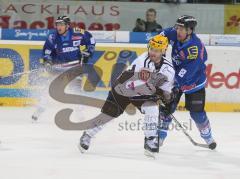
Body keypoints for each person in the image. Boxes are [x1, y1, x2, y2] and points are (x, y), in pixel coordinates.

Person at [79, 35, 175, 157]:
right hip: (123, 89)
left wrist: (167, 97)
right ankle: (88, 134)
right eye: (151, 49)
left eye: (156, 50)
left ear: (164, 51)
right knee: (109, 115)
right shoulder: (142, 61)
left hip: (142, 93)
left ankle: (150, 140)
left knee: (152, 109)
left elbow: (166, 90)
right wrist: (158, 92)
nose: (152, 53)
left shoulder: (169, 70)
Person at [159, 15, 217, 149]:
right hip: (177, 78)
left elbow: (186, 74)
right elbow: (161, 36)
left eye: (181, 28)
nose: (178, 31)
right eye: (177, 27)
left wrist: (167, 82)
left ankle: (208, 137)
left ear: (190, 31)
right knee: (166, 109)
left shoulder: (193, 49)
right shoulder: (175, 34)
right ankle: (159, 138)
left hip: (194, 82)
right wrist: (159, 49)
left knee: (196, 113)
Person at [31, 15, 96, 121]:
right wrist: (47, 61)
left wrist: (89, 51)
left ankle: (79, 114)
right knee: (49, 90)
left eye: (61, 24)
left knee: (76, 91)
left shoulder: (78, 32)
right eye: (57, 24)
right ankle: (39, 111)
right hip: (58, 68)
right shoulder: (52, 37)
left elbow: (91, 40)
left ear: (67, 25)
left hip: (74, 68)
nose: (59, 27)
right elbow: (47, 51)